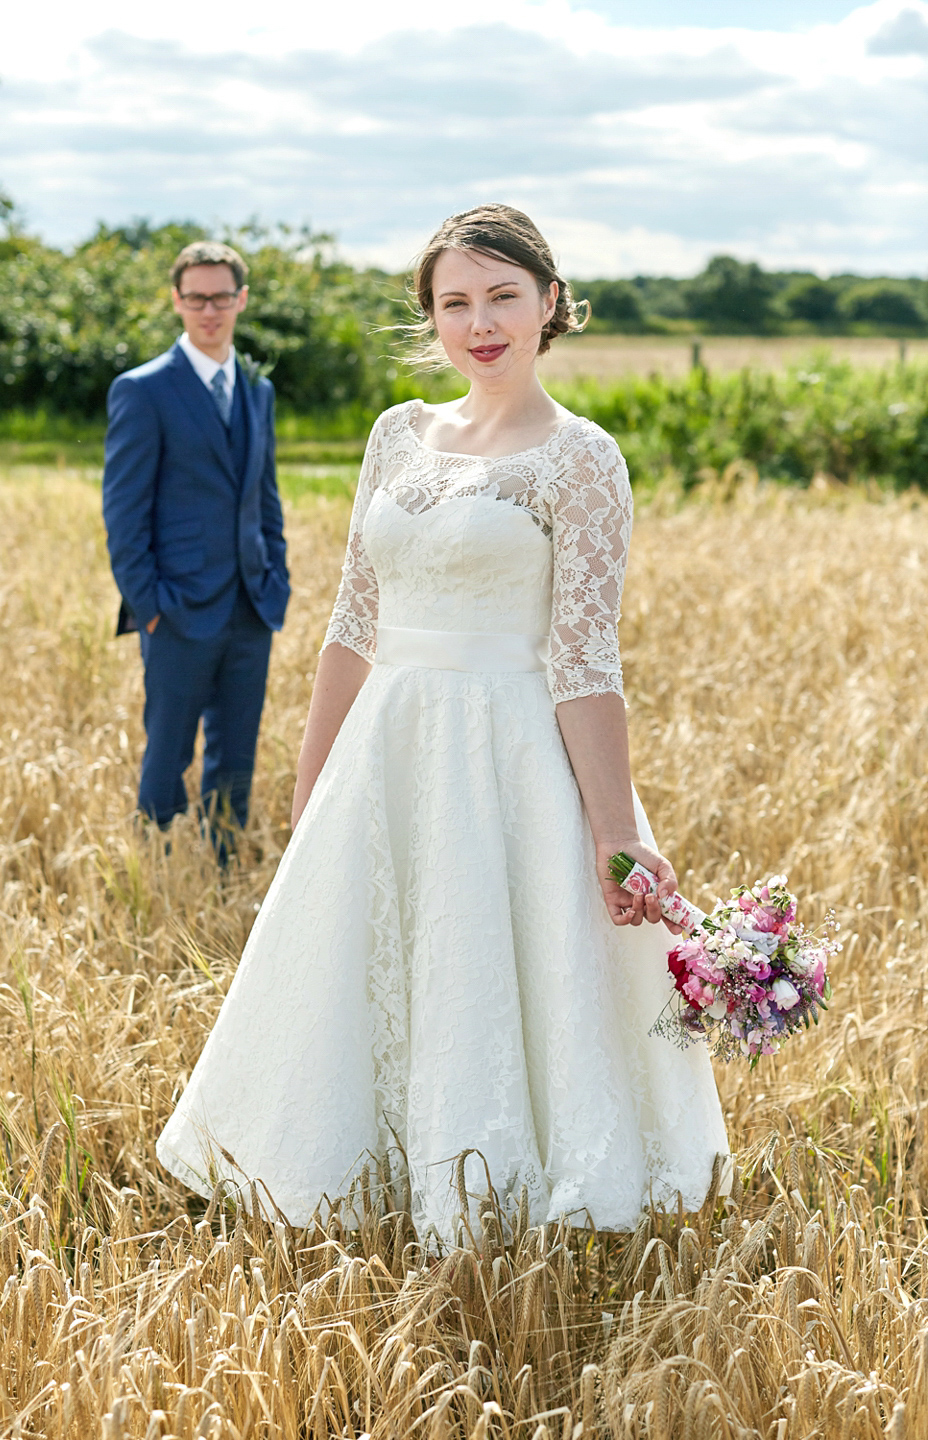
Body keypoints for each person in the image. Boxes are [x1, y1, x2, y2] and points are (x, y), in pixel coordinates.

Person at [157, 205, 727, 1235]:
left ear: (550, 303)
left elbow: (585, 659)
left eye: (503, 295)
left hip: (511, 757)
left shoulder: (580, 457)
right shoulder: (396, 434)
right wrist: (312, 784)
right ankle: (340, 1172)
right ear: (431, 316)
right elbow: (350, 624)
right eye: (455, 301)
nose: (481, 322)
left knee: (491, 966)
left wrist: (615, 833)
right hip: (387, 746)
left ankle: (488, 1193)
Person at [102, 241, 290, 855]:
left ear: (241, 300)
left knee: (236, 754)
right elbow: (124, 515)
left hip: (250, 604)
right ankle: (154, 868)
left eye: (221, 297)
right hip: (176, 607)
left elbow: (265, 497)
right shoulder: (143, 390)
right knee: (168, 752)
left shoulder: (257, 389)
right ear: (177, 301)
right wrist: (149, 606)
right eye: (195, 298)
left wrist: (276, 580)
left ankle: (223, 866)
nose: (209, 310)